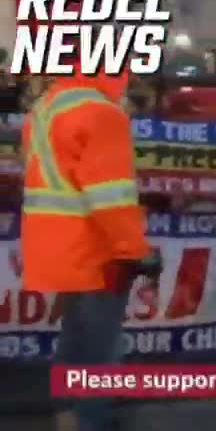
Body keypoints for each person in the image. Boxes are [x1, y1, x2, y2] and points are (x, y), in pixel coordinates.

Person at [20, 64, 162, 431]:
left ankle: (65, 414)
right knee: (102, 348)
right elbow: (110, 198)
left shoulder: (47, 106)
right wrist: (136, 250)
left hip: (57, 247)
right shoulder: (102, 113)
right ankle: (88, 422)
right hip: (98, 251)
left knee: (75, 335)